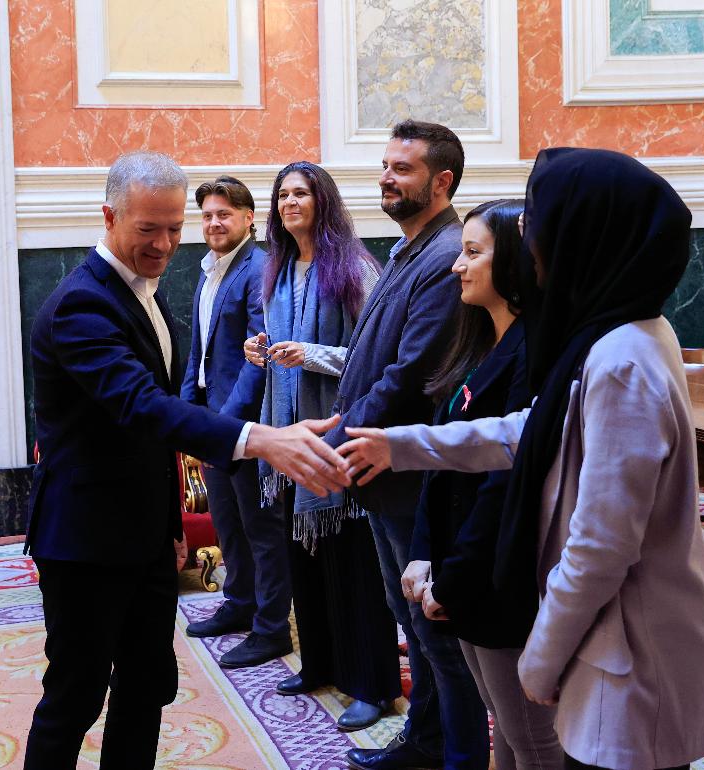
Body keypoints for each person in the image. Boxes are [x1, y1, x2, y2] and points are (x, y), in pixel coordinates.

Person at [340, 148, 704, 770]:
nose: (528, 237)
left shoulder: (624, 358)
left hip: (634, 647)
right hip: (616, 638)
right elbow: (535, 430)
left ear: (584, 235)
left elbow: (602, 544)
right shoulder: (611, 333)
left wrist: (540, 656)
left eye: (538, 221)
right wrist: (403, 445)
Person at [23, 151, 350, 770]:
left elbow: (152, 433)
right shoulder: (80, 305)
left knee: (148, 686)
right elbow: (144, 407)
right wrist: (261, 439)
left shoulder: (146, 291)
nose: (166, 243)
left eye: (176, 227)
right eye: (149, 229)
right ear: (109, 216)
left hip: (142, 535)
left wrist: (170, 529)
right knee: (76, 695)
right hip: (85, 541)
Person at [327, 120, 489, 770]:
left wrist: (333, 441)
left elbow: (409, 376)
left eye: (403, 169)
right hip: (379, 472)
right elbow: (371, 362)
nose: (387, 178)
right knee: (413, 626)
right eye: (386, 165)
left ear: (442, 181)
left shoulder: (447, 252)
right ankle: (425, 744)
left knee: (436, 633)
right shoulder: (405, 250)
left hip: (410, 476)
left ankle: (457, 756)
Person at [402, 199, 562, 770]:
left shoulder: (535, 355)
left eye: (473, 253)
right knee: (504, 727)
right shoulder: (480, 343)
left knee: (531, 739)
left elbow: (505, 483)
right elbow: (443, 458)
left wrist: (453, 575)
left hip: (496, 573)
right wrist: (423, 554)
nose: (456, 266)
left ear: (514, 262)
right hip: (459, 567)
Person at [241, 161, 400, 731]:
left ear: (322, 201)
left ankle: (371, 684)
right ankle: (321, 664)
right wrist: (264, 348)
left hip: (339, 436)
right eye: (282, 194)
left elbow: (373, 355)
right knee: (305, 563)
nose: (289, 203)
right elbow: (285, 344)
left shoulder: (353, 267)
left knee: (355, 571)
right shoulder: (278, 270)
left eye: (301, 193)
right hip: (291, 437)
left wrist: (306, 354)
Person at [179, 175, 292, 670]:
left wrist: (226, 426)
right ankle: (239, 603)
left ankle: (271, 628)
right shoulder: (209, 270)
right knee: (227, 522)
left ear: (249, 218)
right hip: (210, 416)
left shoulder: (259, 268)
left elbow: (258, 356)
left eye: (224, 213)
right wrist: (188, 416)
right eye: (206, 215)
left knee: (260, 527)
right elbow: (198, 351)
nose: (213, 222)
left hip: (244, 422)